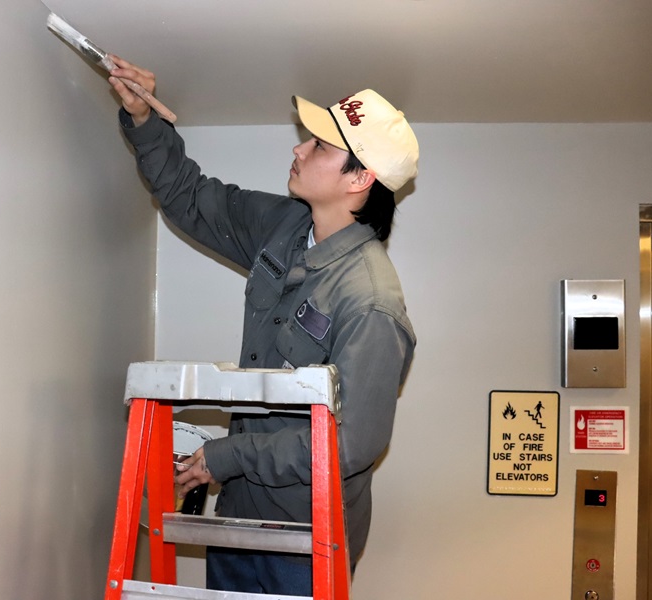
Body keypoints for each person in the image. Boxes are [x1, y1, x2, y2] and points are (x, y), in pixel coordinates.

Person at [108, 56, 419, 596]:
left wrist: (226, 457)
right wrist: (143, 121)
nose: (299, 149)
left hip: (306, 538)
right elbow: (192, 198)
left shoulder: (371, 300)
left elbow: (350, 445)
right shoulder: (286, 225)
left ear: (361, 178)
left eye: (320, 146)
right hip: (238, 515)